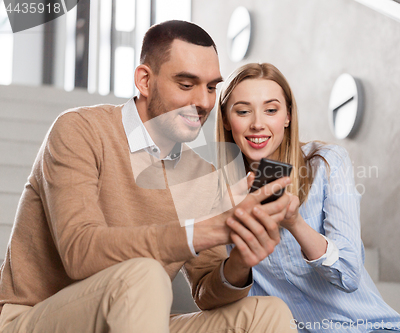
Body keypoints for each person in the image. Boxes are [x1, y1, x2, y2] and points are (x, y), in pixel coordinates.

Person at [0, 21, 297, 333]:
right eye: (186, 85)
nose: (205, 102)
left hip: (134, 315)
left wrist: (241, 258)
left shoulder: (202, 175)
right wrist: (203, 231)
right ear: (144, 80)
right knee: (145, 274)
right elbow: (79, 252)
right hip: (32, 319)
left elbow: (206, 293)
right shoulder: (80, 131)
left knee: (269, 313)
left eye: (211, 87)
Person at [216, 63, 400, 333]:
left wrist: (295, 223)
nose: (257, 123)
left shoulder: (326, 163)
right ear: (227, 121)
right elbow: (226, 298)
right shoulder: (219, 195)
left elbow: (348, 274)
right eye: (243, 111)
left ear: (287, 116)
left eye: (271, 110)